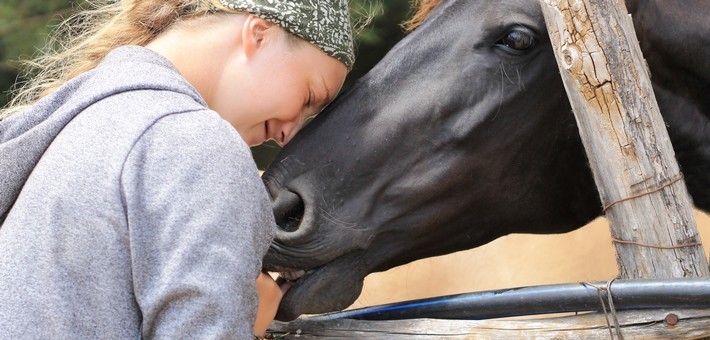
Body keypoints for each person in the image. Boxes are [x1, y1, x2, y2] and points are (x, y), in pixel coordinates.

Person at [0, 0, 353, 338]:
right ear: (259, 34)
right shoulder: (197, 143)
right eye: (308, 97)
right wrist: (247, 321)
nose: (288, 134)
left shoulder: (79, 123)